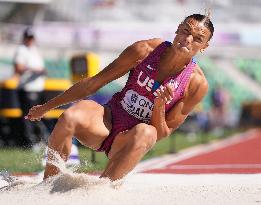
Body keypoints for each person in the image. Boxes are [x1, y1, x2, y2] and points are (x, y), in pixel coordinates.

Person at [26, 13, 214, 181]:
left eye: (198, 38)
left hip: (131, 139)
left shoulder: (196, 84)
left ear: (204, 46)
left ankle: (103, 189)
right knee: (69, 117)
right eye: (185, 31)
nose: (188, 39)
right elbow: (94, 83)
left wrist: (158, 105)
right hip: (108, 119)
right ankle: (49, 184)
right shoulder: (145, 50)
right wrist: (47, 107)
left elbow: (163, 133)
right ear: (177, 29)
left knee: (147, 132)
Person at [13, 27, 46, 146]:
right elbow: (18, 68)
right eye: (28, 38)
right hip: (27, 89)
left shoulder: (35, 50)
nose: (30, 40)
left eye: (32, 38)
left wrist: (41, 71)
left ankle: (38, 140)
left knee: (38, 116)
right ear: (25, 38)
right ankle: (30, 142)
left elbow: (41, 68)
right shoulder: (21, 50)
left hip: (38, 88)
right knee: (29, 116)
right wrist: (33, 70)